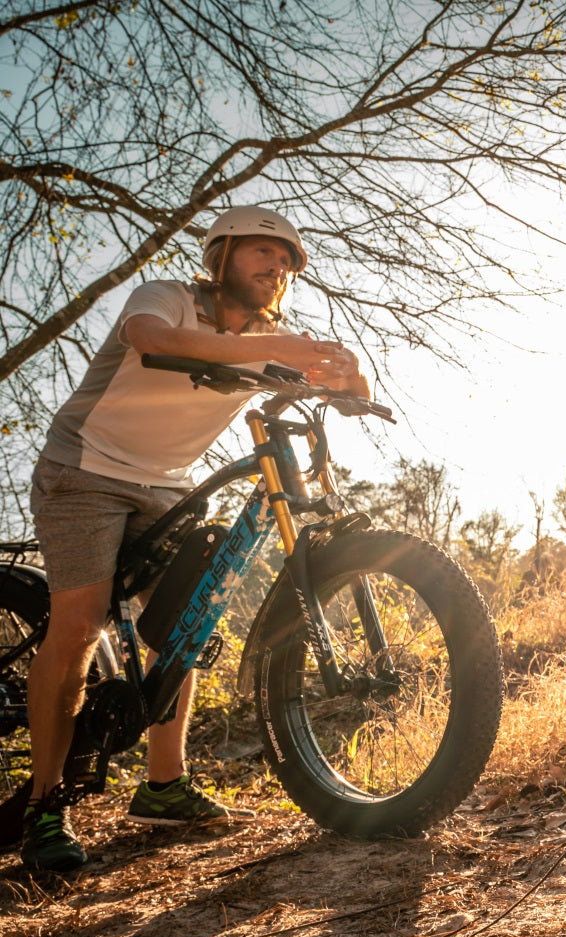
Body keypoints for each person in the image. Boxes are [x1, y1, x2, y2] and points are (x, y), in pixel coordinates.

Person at [20, 206, 370, 872]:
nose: (276, 268)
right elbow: (154, 343)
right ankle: (46, 802)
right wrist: (284, 351)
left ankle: (163, 784)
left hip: (166, 484)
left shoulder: (271, 338)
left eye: (286, 260)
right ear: (222, 256)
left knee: (189, 614)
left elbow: (344, 388)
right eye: (261, 254)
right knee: (79, 626)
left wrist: (348, 374)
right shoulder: (169, 301)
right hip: (84, 468)